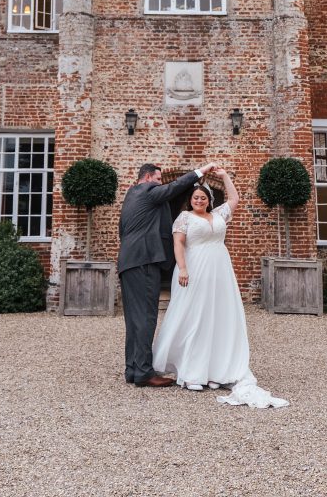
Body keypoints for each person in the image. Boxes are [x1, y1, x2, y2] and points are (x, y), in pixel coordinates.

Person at [152, 167, 289, 408]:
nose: (199, 201)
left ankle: (215, 371)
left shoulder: (219, 215)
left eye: (203, 198)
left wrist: (225, 176)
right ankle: (191, 371)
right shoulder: (184, 218)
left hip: (220, 271)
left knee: (218, 316)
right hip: (194, 268)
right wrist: (182, 269)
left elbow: (235, 199)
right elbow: (178, 245)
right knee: (194, 316)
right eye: (195, 198)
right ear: (190, 200)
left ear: (209, 200)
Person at [117, 160, 217, 387]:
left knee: (133, 319)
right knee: (145, 318)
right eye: (159, 179)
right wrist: (201, 171)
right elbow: (174, 187)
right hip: (143, 262)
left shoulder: (131, 196)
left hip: (128, 261)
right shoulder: (148, 190)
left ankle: (133, 369)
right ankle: (143, 372)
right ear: (149, 177)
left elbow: (122, 231)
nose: (161, 184)